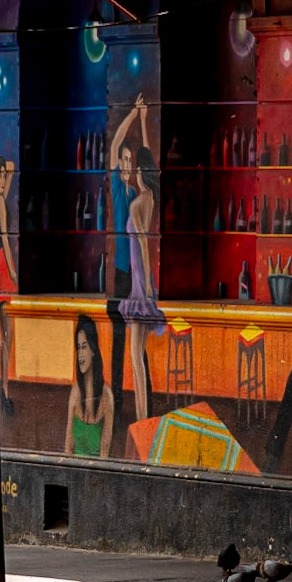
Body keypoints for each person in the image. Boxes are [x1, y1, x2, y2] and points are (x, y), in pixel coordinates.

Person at [118, 135, 165, 420]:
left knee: (135, 355)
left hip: (139, 282)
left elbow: (144, 242)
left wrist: (146, 283)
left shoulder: (137, 203)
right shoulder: (150, 199)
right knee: (138, 354)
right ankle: (142, 415)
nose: (134, 172)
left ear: (142, 172)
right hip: (142, 279)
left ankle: (141, 417)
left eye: (137, 168)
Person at [107, 95, 144, 412]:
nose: (128, 165)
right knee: (120, 338)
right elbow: (116, 142)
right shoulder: (118, 189)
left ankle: (142, 398)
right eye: (124, 160)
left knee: (139, 337)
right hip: (121, 272)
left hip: (136, 273)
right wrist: (132, 114)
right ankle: (118, 399)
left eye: (131, 161)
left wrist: (143, 119)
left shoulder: (136, 192)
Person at [65, 315, 113, 457]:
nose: (80, 354)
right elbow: (68, 447)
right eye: (78, 347)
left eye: (84, 347)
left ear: (93, 350)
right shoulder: (75, 391)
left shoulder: (107, 396)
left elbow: (104, 453)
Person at [0, 157, 18, 415]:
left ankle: (3, 387)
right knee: (7, 335)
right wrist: (12, 270)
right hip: (1, 265)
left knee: (1, 335)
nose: (3, 180)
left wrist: (4, 172)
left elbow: (10, 168)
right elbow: (6, 239)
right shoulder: (0, 201)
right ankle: (4, 388)